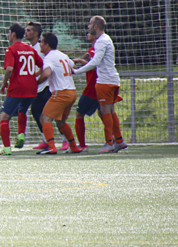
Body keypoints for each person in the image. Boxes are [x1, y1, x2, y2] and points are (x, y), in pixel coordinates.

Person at [73, 16, 128, 153]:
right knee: (110, 111)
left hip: (105, 81)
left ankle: (109, 143)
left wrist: (77, 71)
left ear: (95, 26)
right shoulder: (107, 39)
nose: (88, 27)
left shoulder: (100, 41)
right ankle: (119, 141)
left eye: (90, 24)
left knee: (105, 112)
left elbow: (95, 62)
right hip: (113, 80)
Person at [35, 33, 83, 155]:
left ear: (47, 45)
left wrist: (35, 83)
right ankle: (73, 146)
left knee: (44, 118)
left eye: (42, 42)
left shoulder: (49, 57)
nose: (40, 44)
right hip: (72, 92)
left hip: (61, 93)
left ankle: (51, 147)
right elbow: (72, 66)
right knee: (60, 121)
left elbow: (46, 74)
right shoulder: (63, 55)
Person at [0, 24, 42, 155]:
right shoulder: (30, 48)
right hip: (31, 88)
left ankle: (6, 148)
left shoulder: (11, 49)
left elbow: (9, 69)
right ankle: (21, 135)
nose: (8, 35)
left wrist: (4, 83)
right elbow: (42, 65)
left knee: (4, 117)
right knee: (22, 110)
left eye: (9, 32)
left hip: (17, 87)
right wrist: (32, 76)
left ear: (13, 34)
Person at [26, 22, 68, 151]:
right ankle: (46, 140)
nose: (26, 32)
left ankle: (65, 140)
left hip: (47, 86)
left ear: (36, 33)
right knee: (36, 111)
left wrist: (38, 76)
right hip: (38, 87)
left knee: (55, 115)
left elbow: (47, 65)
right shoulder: (29, 48)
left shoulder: (42, 48)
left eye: (29, 30)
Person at [71, 30, 101, 152]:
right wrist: (84, 60)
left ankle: (82, 145)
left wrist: (79, 62)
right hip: (102, 86)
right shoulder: (96, 49)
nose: (87, 35)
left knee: (79, 114)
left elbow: (93, 66)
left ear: (94, 35)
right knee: (104, 113)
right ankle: (113, 140)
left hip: (92, 89)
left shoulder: (94, 49)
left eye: (89, 33)